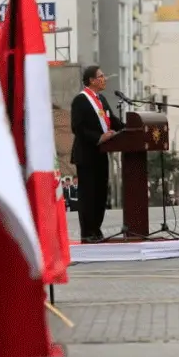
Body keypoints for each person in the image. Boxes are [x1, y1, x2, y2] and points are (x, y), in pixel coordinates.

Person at [70, 65, 124, 243]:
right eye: (101, 76)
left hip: (102, 153)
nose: (104, 79)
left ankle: (97, 229)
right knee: (88, 194)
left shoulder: (101, 99)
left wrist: (131, 129)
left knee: (101, 193)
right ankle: (87, 232)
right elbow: (77, 128)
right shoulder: (81, 100)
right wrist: (99, 137)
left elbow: (114, 122)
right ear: (92, 80)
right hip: (86, 153)